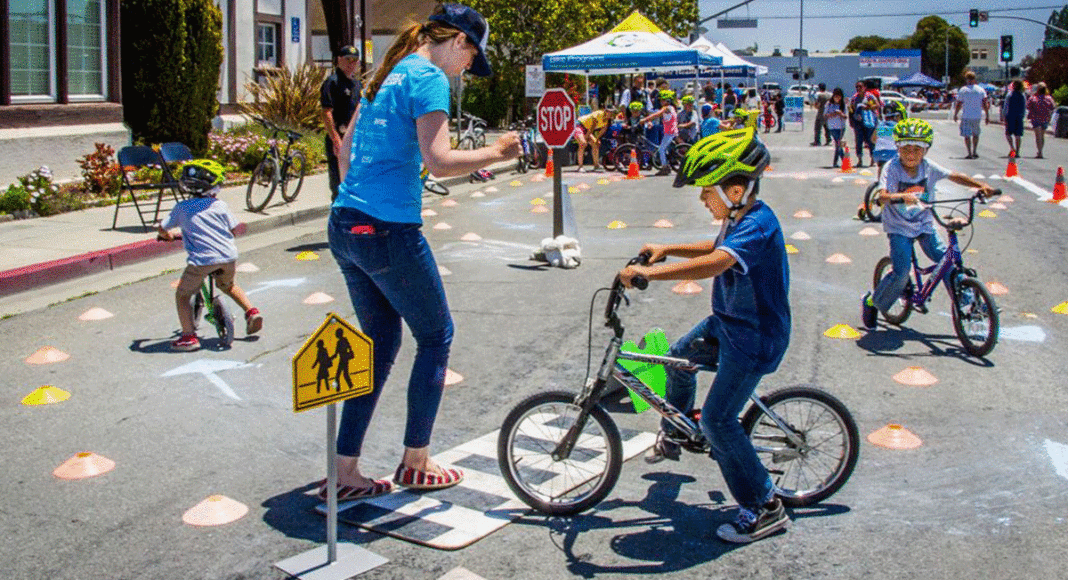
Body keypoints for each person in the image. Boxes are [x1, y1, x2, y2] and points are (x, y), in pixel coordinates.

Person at [326, 3, 520, 501]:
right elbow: (439, 162)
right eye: (470, 60)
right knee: (436, 336)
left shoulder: (385, 74)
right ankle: (416, 462)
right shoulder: (429, 77)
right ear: (459, 41)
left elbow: (344, 154)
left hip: (346, 222)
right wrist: (498, 153)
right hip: (386, 229)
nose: (466, 73)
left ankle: (344, 470)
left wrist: (367, 198)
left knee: (381, 343)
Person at [619, 128, 791, 544]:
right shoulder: (737, 217)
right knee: (680, 357)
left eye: (705, 191)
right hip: (728, 324)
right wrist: (668, 247)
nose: (701, 198)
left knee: (718, 419)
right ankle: (679, 431)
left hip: (754, 338)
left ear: (734, 188)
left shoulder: (758, 223)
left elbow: (715, 263)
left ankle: (765, 507)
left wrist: (650, 273)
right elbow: (712, 247)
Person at [861, 119, 997, 330]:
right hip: (898, 227)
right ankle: (872, 301)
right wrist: (901, 196)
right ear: (897, 147)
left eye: (917, 148)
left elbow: (954, 176)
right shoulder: (892, 167)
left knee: (948, 261)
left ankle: (970, 304)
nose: (911, 153)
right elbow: (883, 195)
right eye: (906, 148)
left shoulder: (927, 167)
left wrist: (981, 185)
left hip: (923, 223)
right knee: (902, 271)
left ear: (926, 150)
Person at [157, 160, 263, 352]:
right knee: (228, 285)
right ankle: (251, 311)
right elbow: (233, 228)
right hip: (228, 256)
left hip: (202, 261)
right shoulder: (220, 205)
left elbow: (163, 229)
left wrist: (168, 236)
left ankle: (189, 337)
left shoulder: (182, 207)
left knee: (182, 294)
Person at [321, 45, 363, 201]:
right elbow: (326, 112)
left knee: (354, 182)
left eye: (354, 60)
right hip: (339, 138)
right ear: (339, 60)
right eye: (347, 60)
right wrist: (335, 138)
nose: (351, 64)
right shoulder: (332, 82)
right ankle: (338, 220)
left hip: (355, 139)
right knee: (339, 184)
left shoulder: (357, 84)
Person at [641, 89, 679, 176]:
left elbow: (657, 115)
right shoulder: (672, 108)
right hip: (670, 132)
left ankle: (665, 167)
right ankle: (666, 164)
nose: (661, 101)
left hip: (670, 132)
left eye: (662, 100)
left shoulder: (666, 108)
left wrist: (645, 120)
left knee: (661, 149)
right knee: (663, 148)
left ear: (668, 101)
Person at [953, 71, 989, 160]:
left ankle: (969, 152)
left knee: (967, 135)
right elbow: (985, 103)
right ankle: (975, 151)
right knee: (975, 134)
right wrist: (987, 115)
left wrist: (955, 114)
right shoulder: (980, 90)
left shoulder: (963, 90)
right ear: (974, 79)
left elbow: (959, 103)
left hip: (966, 116)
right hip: (977, 115)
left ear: (966, 79)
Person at [848, 81, 880, 167]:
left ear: (864, 87)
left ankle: (873, 159)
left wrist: (868, 107)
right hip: (858, 122)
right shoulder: (854, 97)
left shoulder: (869, 96)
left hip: (869, 121)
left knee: (871, 141)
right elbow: (851, 110)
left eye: (860, 87)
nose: (858, 89)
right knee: (858, 140)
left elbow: (877, 105)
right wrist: (851, 120)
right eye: (857, 87)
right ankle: (859, 159)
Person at [574, 107, 612, 172]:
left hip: (587, 128)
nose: (611, 113)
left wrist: (597, 139)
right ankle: (580, 166)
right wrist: (586, 137)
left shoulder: (607, 120)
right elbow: (592, 127)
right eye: (610, 111)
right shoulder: (599, 114)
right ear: (605, 111)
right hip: (579, 125)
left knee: (596, 144)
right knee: (583, 143)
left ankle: (596, 165)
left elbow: (603, 130)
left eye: (612, 112)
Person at [1026, 82, 1056, 159]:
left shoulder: (1033, 98)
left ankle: (1039, 152)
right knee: (1042, 136)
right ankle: (1040, 151)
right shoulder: (1048, 98)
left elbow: (1028, 106)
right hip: (1045, 118)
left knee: (1038, 136)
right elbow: (1053, 107)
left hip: (1035, 118)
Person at [1002, 80, 1026, 157]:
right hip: (1019, 116)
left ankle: (1012, 148)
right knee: (1018, 135)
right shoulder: (1022, 95)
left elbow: (1006, 106)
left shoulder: (1010, 94)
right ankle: (1018, 151)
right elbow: (1024, 106)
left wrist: (1003, 115)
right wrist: (1023, 115)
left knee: (1008, 133)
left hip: (1010, 116)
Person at [825, 88, 848, 167]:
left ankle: (839, 161)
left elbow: (845, 116)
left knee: (838, 144)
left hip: (841, 127)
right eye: (836, 96)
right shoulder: (829, 104)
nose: (837, 98)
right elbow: (825, 115)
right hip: (832, 127)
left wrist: (840, 113)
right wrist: (833, 114)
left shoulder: (843, 104)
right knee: (838, 143)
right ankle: (842, 160)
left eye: (839, 96)